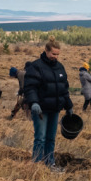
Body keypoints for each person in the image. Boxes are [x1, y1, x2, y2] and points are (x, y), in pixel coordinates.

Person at [23, 38, 74, 169]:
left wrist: (69, 106)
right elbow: (30, 87)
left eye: (57, 54)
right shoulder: (36, 66)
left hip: (55, 109)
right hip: (41, 110)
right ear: (46, 51)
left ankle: (50, 163)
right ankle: (37, 166)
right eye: (53, 54)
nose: (55, 57)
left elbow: (64, 89)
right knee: (40, 138)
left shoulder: (60, 67)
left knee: (51, 138)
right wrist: (34, 103)